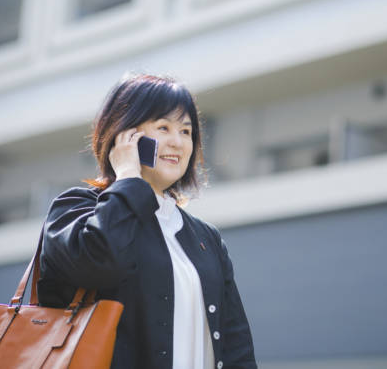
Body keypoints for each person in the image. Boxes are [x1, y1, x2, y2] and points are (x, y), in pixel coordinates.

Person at [37, 74, 257, 369]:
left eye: (186, 131)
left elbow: (235, 341)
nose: (177, 142)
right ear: (124, 135)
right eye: (163, 127)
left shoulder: (206, 238)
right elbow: (100, 266)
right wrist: (128, 177)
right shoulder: (76, 208)